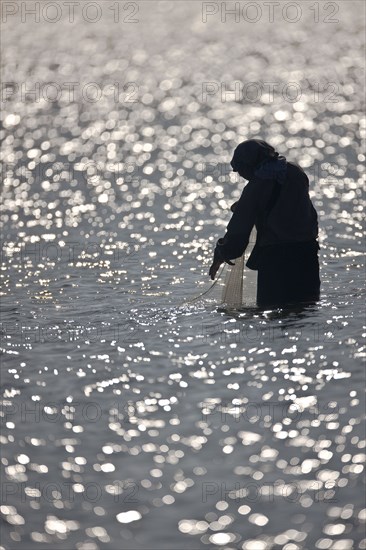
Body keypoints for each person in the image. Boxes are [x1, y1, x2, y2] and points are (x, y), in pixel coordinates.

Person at [208, 139, 321, 308]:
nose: (241, 174)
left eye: (241, 169)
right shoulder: (295, 173)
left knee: (272, 311)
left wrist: (223, 252)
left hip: (276, 260)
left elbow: (239, 230)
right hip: (306, 255)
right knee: (305, 307)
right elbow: (295, 209)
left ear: (249, 165)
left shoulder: (256, 187)